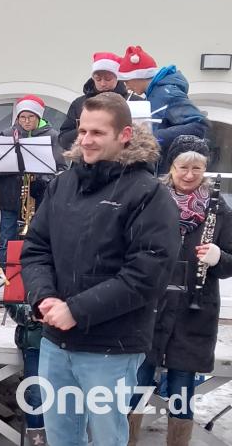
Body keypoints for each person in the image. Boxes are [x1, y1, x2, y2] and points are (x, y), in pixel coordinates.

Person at [21, 93, 180, 446]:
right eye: (82, 131)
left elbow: (146, 276)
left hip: (111, 345)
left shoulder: (148, 194)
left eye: (97, 133)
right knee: (61, 437)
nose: (86, 141)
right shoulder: (63, 184)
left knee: (106, 438)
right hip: (56, 340)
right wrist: (43, 296)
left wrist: (76, 310)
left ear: (124, 135)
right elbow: (35, 249)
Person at [128, 136, 232, 446]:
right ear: (170, 167)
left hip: (193, 311)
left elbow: (229, 264)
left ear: (206, 169)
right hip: (150, 307)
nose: (189, 175)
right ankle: (126, 441)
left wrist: (219, 257)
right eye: (183, 167)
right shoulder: (152, 200)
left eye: (197, 168)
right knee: (137, 385)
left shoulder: (219, 210)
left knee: (182, 390)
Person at [0, 95, 66, 267]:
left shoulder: (53, 136)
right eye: (22, 117)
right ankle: (1, 275)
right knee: (6, 237)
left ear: (38, 117)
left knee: (37, 238)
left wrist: (44, 180)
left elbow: (61, 168)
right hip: (10, 196)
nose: (26, 122)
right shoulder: (7, 134)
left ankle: (33, 271)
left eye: (31, 117)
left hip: (39, 198)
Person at [117, 45, 208, 174]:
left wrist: (153, 138)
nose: (127, 88)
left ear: (138, 76)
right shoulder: (156, 94)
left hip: (167, 172)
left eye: (127, 81)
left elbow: (199, 126)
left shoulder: (166, 93)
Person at [57, 52, 130, 151]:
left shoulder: (132, 101)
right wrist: (84, 130)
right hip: (85, 162)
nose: (103, 83)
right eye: (98, 79)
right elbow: (63, 140)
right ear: (93, 78)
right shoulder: (79, 103)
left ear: (117, 78)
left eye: (108, 79)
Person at [5, 304, 46, 445]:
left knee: (69, 396)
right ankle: (37, 442)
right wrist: (34, 313)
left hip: (68, 342)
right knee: (37, 395)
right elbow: (12, 303)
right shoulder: (24, 280)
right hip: (35, 343)